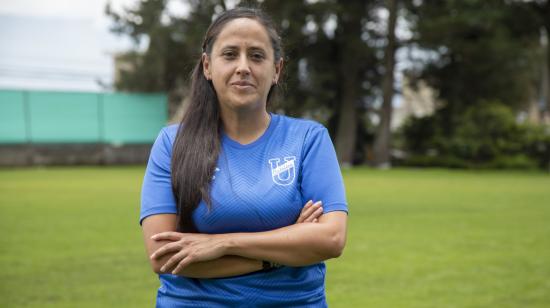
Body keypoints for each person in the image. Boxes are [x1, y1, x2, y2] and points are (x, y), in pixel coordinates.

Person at [140, 7, 348, 307]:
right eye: (229, 54)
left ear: (276, 70)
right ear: (208, 66)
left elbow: (330, 240)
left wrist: (223, 243)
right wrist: (284, 248)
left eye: (256, 55)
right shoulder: (172, 144)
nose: (243, 67)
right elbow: (164, 257)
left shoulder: (308, 139)